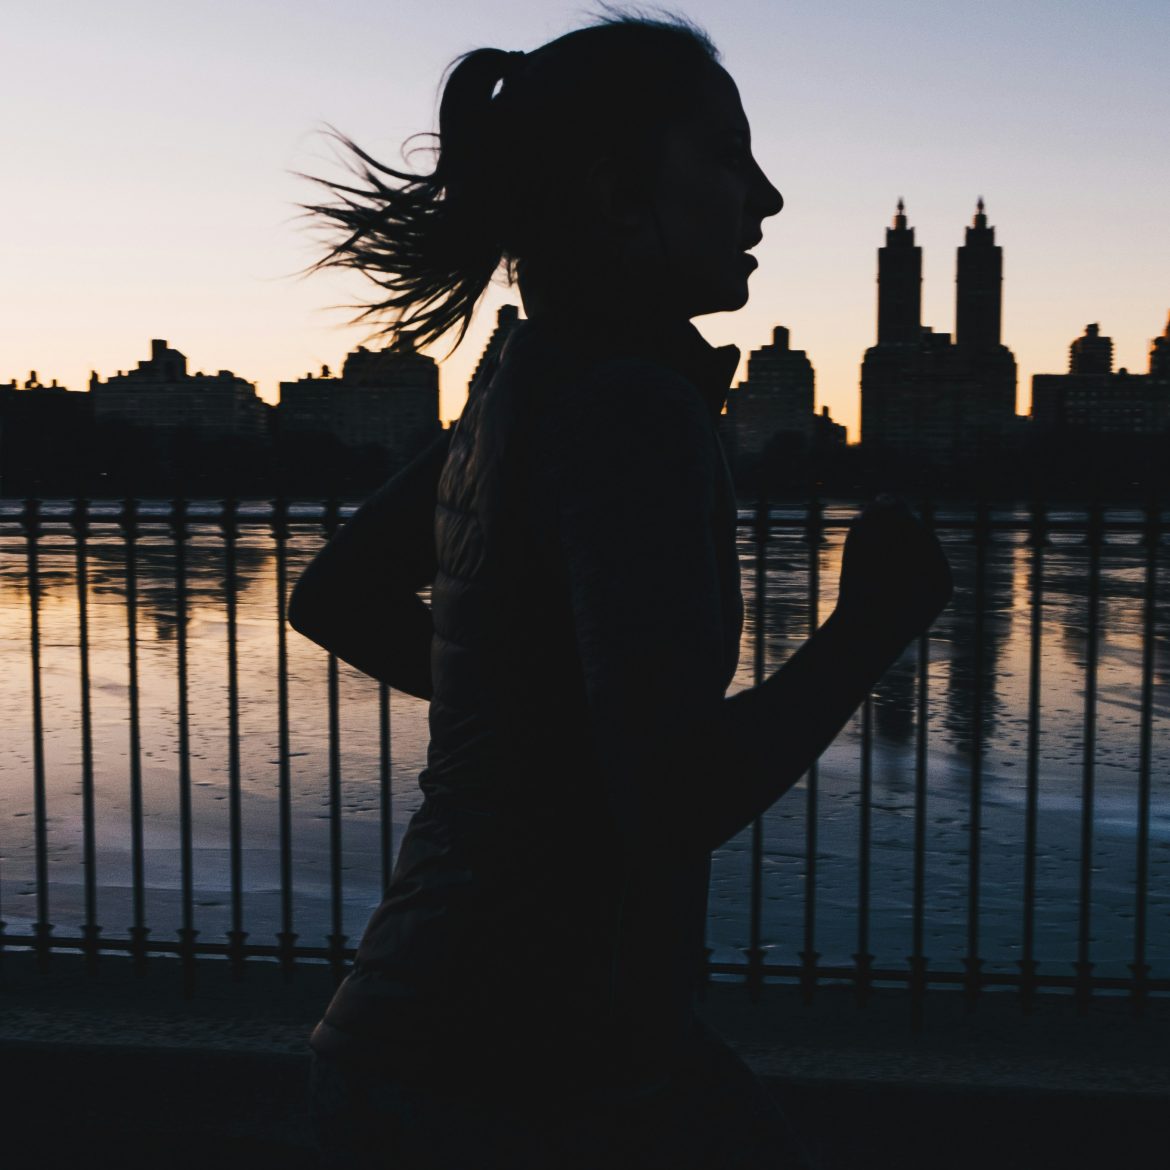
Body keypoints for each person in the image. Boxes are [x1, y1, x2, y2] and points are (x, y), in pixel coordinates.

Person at [291, 14, 952, 1169]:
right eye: (724, 153)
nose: (767, 198)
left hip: (435, 1038)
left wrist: (534, 721)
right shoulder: (632, 409)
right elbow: (679, 797)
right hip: (528, 1075)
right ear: (613, 191)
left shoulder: (523, 376)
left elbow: (339, 596)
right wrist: (869, 626)